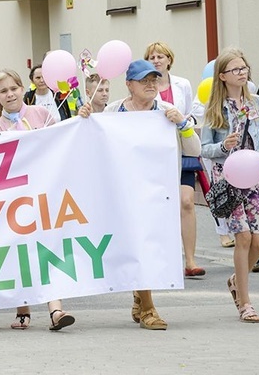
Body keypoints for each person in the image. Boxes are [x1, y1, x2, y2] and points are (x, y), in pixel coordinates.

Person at [79, 59, 200, 330]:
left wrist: (182, 124)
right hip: (123, 189)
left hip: (159, 190)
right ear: (129, 85)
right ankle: (148, 309)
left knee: (151, 245)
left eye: (154, 80)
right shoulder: (114, 110)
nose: (150, 85)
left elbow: (194, 149)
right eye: (144, 80)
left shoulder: (167, 110)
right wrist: (85, 118)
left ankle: (139, 296)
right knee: (137, 243)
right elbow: (90, 142)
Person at [0, 70, 76, 331]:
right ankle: (23, 308)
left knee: (48, 247)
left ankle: (55, 310)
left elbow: (61, 141)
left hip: (46, 191)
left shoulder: (42, 114)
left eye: (13, 88)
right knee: (21, 250)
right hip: (17, 198)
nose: (10, 94)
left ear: (21, 88)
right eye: (3, 91)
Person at [201, 48, 259, 323]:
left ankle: (235, 281)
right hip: (228, 179)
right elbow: (204, 148)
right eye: (236, 70)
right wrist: (222, 145)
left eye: (244, 68)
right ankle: (245, 303)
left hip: (253, 177)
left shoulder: (253, 103)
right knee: (242, 236)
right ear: (222, 76)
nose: (242, 73)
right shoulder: (215, 108)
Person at [145, 42, 204, 277]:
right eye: (151, 57)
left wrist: (182, 122)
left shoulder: (182, 85)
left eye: (160, 56)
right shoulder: (145, 86)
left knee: (187, 201)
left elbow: (190, 114)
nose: (156, 60)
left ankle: (190, 260)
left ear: (169, 60)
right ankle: (162, 257)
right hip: (156, 153)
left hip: (181, 149)